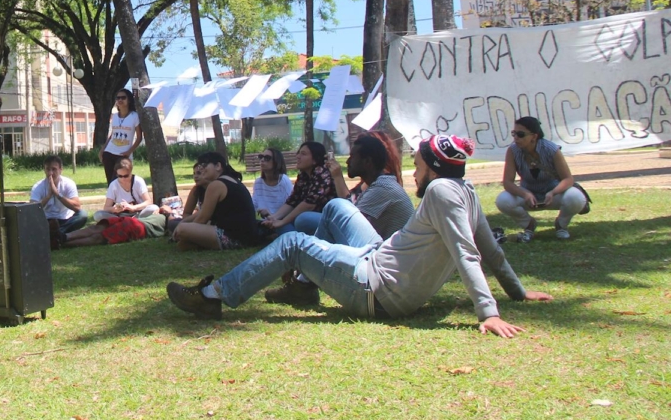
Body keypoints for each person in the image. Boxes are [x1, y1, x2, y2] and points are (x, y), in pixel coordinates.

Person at [166, 135, 554, 338]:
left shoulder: (439, 193)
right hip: (379, 259)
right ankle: (303, 285)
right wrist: (517, 292)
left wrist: (489, 313)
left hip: (376, 289)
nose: (414, 175)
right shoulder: (465, 191)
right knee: (337, 208)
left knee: (292, 242)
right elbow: (491, 251)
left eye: (417, 167)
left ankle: (213, 297)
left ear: (433, 169)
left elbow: (470, 254)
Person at [264, 134, 415, 305]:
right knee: (302, 225)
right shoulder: (377, 184)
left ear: (367, 161)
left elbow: (344, 223)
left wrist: (306, 256)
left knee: (318, 215)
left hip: (386, 271)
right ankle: (302, 282)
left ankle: (301, 281)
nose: (348, 162)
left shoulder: (383, 188)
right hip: (385, 261)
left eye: (353, 156)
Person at [495, 116, 588, 241]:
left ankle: (561, 225)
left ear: (534, 136)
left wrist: (553, 192)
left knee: (575, 197)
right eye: (514, 133)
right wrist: (525, 194)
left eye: (520, 134)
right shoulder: (512, 151)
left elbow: (568, 179)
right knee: (503, 200)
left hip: (553, 194)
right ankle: (529, 225)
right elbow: (507, 182)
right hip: (529, 195)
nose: (516, 138)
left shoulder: (551, 149)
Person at [171, 152, 261, 251]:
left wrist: (188, 232)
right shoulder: (231, 180)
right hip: (247, 237)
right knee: (183, 235)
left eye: (204, 165)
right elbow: (203, 215)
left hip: (234, 238)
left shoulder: (216, 185)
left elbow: (201, 220)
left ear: (218, 166)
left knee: (182, 230)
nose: (201, 169)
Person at [260, 142, 337, 236]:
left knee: (302, 218)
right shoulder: (303, 175)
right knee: (279, 224)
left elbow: (309, 204)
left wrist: (283, 221)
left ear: (315, 160)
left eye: (303, 154)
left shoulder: (323, 174)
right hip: (309, 222)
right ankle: (296, 241)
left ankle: (297, 241)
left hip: (328, 220)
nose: (298, 156)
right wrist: (274, 218)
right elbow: (293, 200)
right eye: (298, 153)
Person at [31, 155, 90, 246]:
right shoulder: (38, 186)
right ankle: (59, 236)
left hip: (65, 219)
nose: (50, 173)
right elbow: (31, 210)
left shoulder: (68, 183)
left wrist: (58, 195)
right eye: (48, 169)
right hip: (46, 220)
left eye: (54, 169)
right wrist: (48, 196)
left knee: (83, 215)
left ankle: (54, 236)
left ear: (60, 170)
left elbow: (77, 207)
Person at [100, 88, 143, 184]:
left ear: (129, 100)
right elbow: (112, 135)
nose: (120, 100)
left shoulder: (134, 116)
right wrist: (103, 150)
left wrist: (129, 152)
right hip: (109, 153)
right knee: (111, 183)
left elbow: (139, 137)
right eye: (118, 98)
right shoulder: (114, 116)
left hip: (123, 155)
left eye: (123, 97)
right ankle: (113, 199)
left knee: (119, 181)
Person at [93, 157, 153, 221]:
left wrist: (133, 207)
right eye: (120, 176)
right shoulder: (114, 185)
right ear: (116, 174)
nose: (123, 179)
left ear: (131, 172)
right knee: (98, 215)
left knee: (153, 208)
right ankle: (124, 221)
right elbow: (106, 208)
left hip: (137, 213)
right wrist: (114, 209)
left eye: (126, 176)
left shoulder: (138, 181)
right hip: (120, 215)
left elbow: (148, 202)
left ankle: (129, 221)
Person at [63, 211, 167, 247]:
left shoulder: (173, 220)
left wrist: (169, 212)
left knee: (98, 232)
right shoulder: (169, 215)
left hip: (136, 225)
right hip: (135, 224)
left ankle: (63, 240)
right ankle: (63, 239)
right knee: (98, 233)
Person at [251, 148, 293, 220]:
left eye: (267, 158)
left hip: (281, 221)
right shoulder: (258, 182)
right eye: (261, 157)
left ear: (277, 162)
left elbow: (291, 207)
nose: (262, 160)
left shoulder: (284, 181)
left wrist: (272, 216)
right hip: (262, 222)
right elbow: (254, 205)